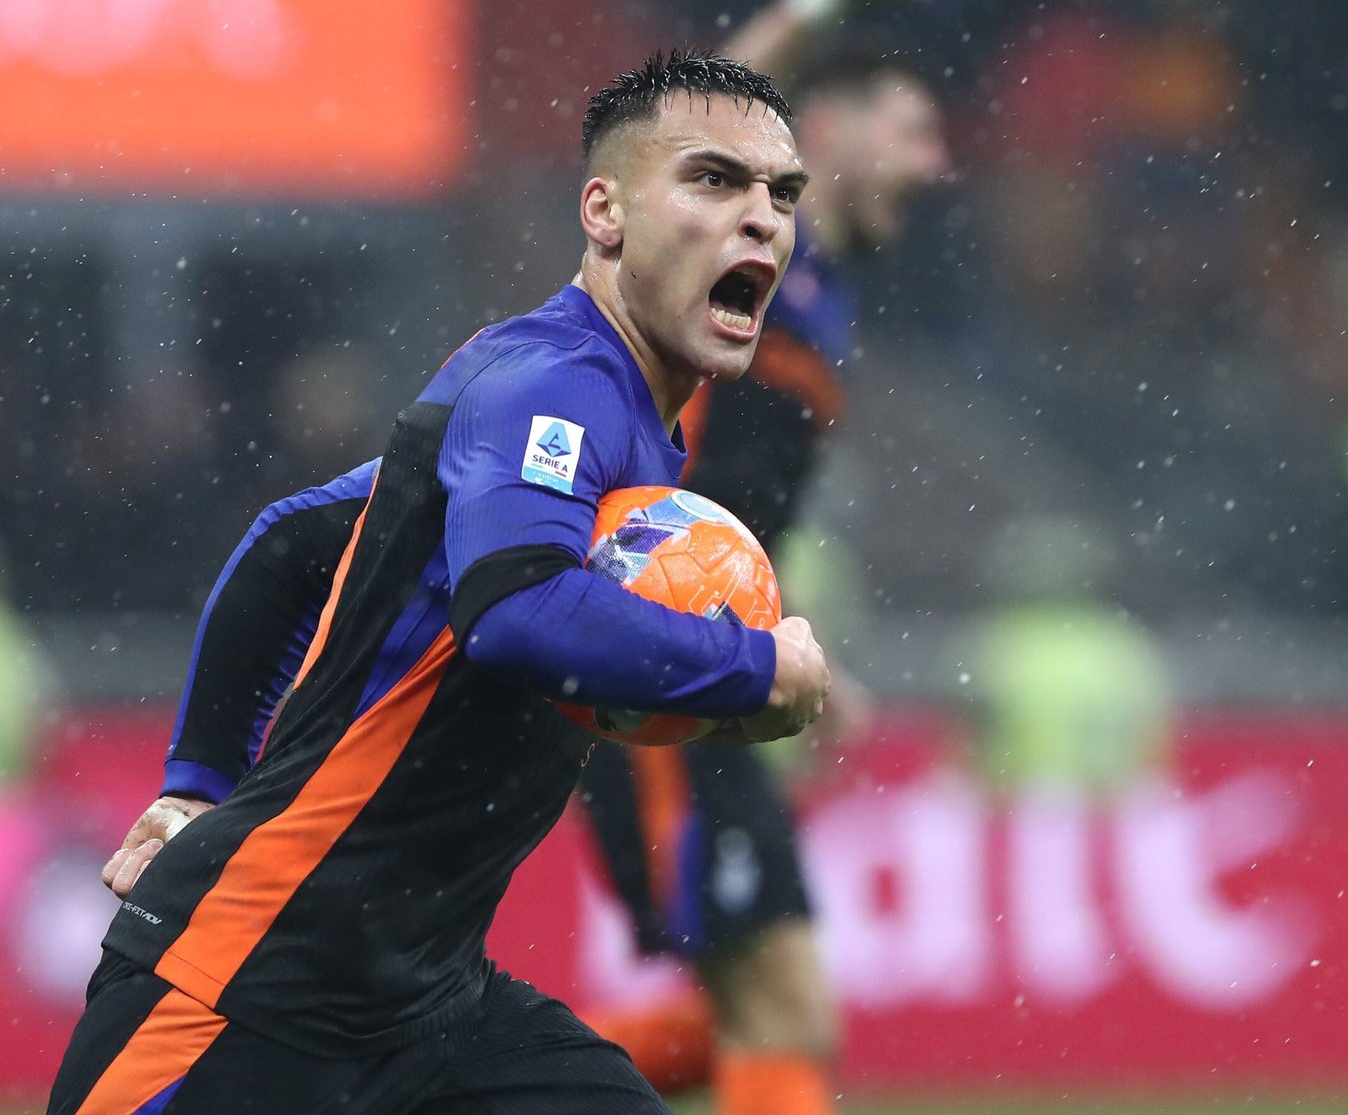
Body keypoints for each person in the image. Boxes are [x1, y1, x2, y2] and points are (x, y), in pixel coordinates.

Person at [48, 49, 830, 1115]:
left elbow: (291, 541)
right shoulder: (556, 384)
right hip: (250, 988)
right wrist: (754, 668)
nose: (762, 220)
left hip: (427, 1007)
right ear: (604, 212)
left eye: (781, 193)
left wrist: (197, 781)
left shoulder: (595, 407)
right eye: (713, 179)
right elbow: (516, 611)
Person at [574, 6, 949, 1112]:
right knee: (783, 1013)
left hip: (707, 663)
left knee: (752, 1018)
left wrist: (792, 641)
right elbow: (672, 136)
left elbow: (739, 509)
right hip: (653, 664)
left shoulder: (818, 292)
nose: (933, 165)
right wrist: (800, 18)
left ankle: (446, 1088)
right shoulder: (742, 254)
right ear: (821, 131)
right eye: (910, 132)